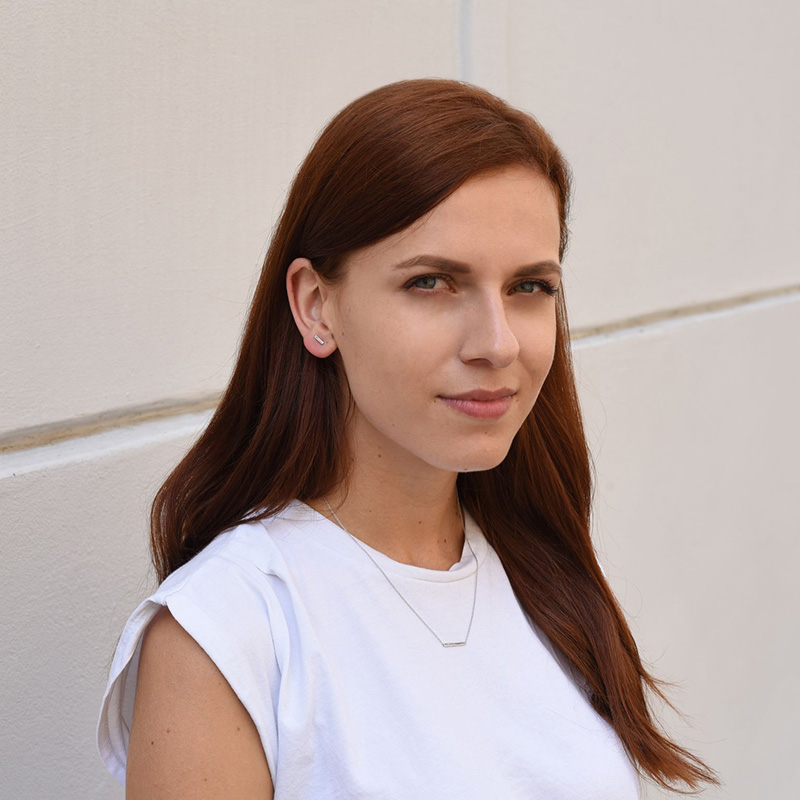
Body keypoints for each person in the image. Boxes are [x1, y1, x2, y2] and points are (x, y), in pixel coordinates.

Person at [96, 78, 718, 798]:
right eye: (432, 283)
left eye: (530, 287)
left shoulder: (537, 569)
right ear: (316, 306)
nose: (497, 344)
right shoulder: (230, 630)